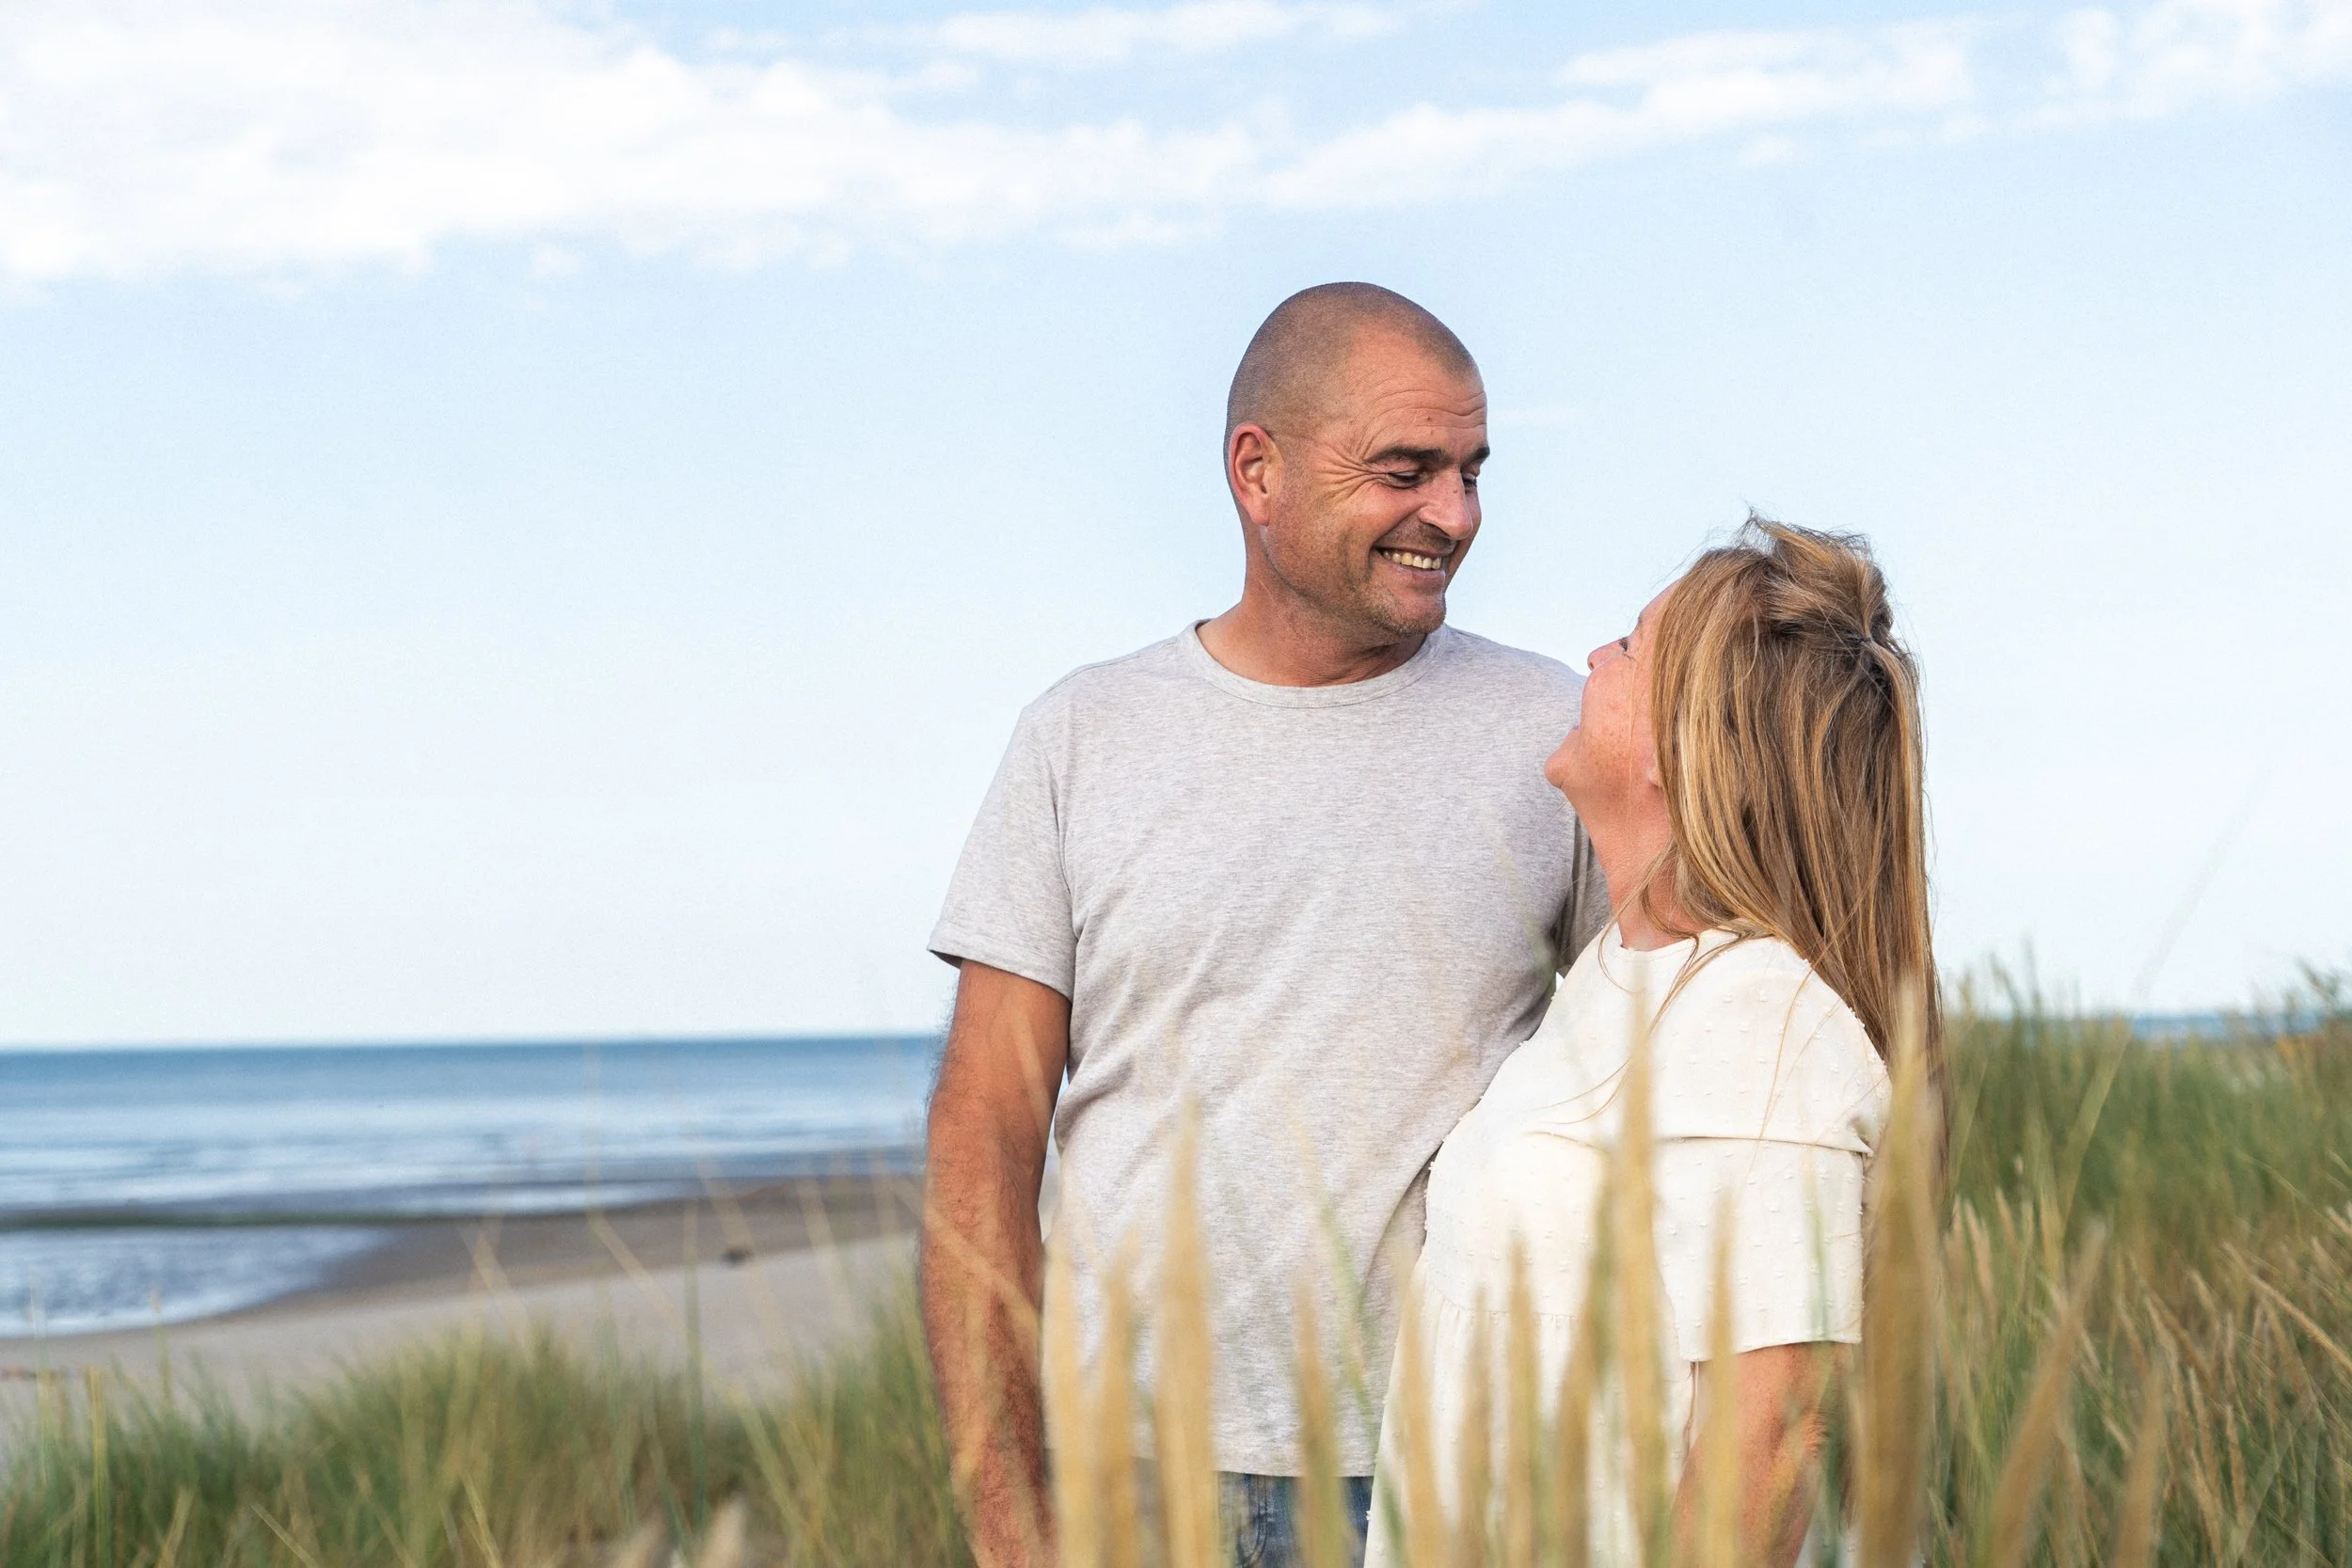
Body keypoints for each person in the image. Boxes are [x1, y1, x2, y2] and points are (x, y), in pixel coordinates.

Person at [920, 282, 1608, 1568]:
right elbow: (985, 1133)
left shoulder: (1559, 735)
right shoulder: (1083, 734)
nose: (1453, 516)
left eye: (1471, 471)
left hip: (1447, 1476)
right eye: (1406, 469)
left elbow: (1681, 1057)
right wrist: (1012, 1518)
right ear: (1259, 470)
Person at [1364, 518, 1938, 1567]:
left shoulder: (1764, 1019)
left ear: (1679, 750)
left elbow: (1772, 1438)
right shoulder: (1617, 977)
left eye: (1628, 647)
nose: (1591, 657)